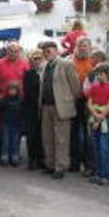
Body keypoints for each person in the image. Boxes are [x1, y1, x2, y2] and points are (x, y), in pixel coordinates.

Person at [39, 41, 81, 179]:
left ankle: (60, 166)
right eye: (44, 51)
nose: (46, 53)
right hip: (46, 106)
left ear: (56, 51)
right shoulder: (44, 66)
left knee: (61, 139)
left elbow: (75, 86)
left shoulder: (66, 64)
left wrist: (68, 101)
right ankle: (50, 164)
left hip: (61, 106)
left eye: (49, 50)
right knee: (47, 137)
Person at [87, 63, 109, 185]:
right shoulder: (93, 88)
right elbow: (89, 102)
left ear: (107, 75)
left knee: (104, 148)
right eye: (98, 74)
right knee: (96, 146)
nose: (100, 76)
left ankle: (106, 174)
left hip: (105, 118)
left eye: (102, 74)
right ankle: (98, 172)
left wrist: (100, 118)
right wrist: (94, 114)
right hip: (94, 117)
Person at [71, 37, 94, 172]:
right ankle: (74, 162)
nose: (82, 48)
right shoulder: (70, 62)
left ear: (89, 47)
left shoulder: (93, 62)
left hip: (89, 102)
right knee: (74, 133)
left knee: (88, 133)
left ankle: (88, 163)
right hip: (74, 100)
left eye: (84, 45)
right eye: (79, 45)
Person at [23, 49, 45, 170]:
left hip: (44, 108)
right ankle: (32, 159)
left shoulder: (45, 73)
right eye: (35, 59)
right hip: (31, 107)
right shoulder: (28, 74)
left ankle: (42, 158)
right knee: (32, 134)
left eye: (39, 59)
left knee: (43, 134)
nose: (37, 61)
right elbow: (28, 91)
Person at [0, 81, 24, 167]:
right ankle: (4, 156)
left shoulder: (20, 100)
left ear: (17, 91)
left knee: (15, 141)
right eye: (10, 90)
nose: (12, 92)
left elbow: (23, 112)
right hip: (6, 123)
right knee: (5, 141)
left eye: (14, 90)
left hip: (16, 123)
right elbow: (0, 109)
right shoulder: (4, 100)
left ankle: (15, 157)